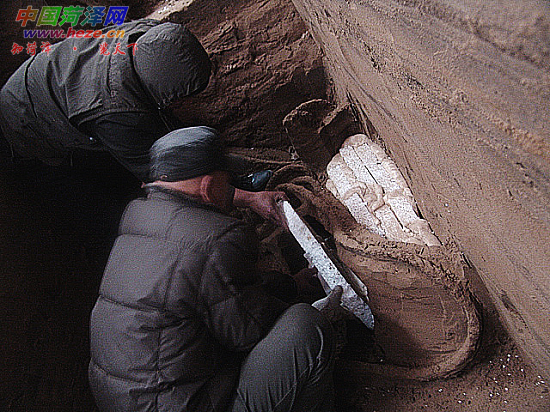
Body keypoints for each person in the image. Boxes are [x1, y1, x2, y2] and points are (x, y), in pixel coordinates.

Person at [88, 126, 346, 412]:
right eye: (228, 181)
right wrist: (302, 301)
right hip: (182, 404)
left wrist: (291, 285)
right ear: (208, 187)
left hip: (132, 399)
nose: (232, 187)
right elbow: (250, 330)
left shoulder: (138, 221)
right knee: (306, 327)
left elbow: (217, 290)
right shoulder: (215, 239)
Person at [0, 19, 281, 224]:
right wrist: (246, 198)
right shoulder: (116, 114)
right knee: (90, 184)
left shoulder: (154, 36)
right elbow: (166, 177)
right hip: (25, 118)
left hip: (54, 76)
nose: (182, 104)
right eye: (180, 98)